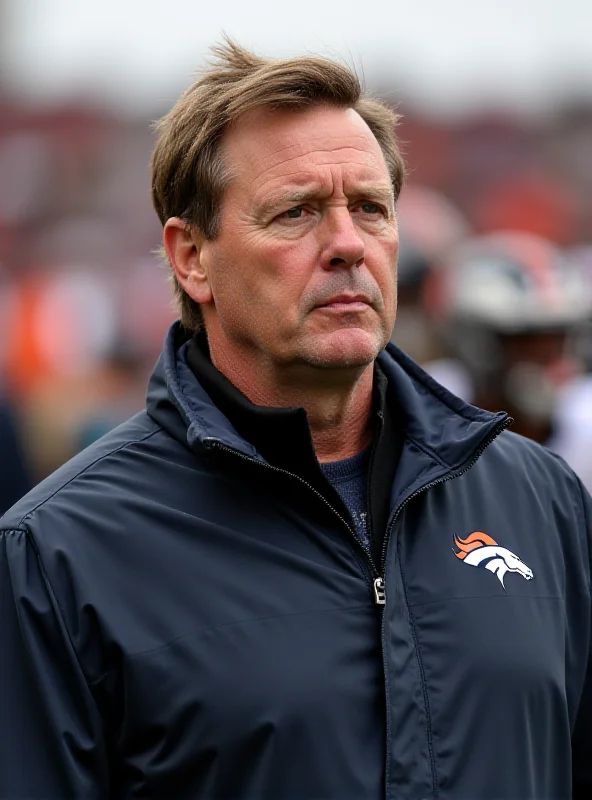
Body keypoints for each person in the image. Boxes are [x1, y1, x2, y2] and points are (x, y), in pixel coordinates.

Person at [1, 40, 591, 800]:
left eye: (371, 209)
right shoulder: (57, 555)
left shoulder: (542, 500)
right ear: (191, 258)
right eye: (297, 212)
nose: (347, 243)